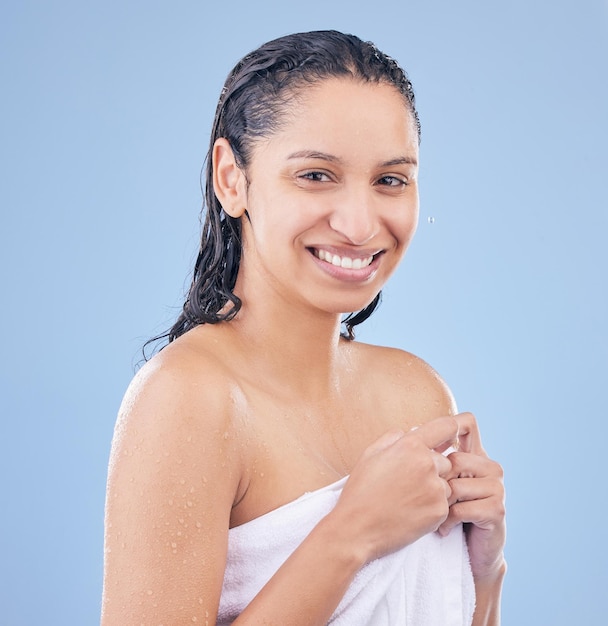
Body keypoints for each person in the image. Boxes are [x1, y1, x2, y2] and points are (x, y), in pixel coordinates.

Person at [102, 30, 506, 625]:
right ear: (231, 179)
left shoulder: (417, 392)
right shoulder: (189, 400)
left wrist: (487, 570)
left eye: (390, 180)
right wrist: (351, 534)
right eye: (316, 175)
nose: (359, 223)